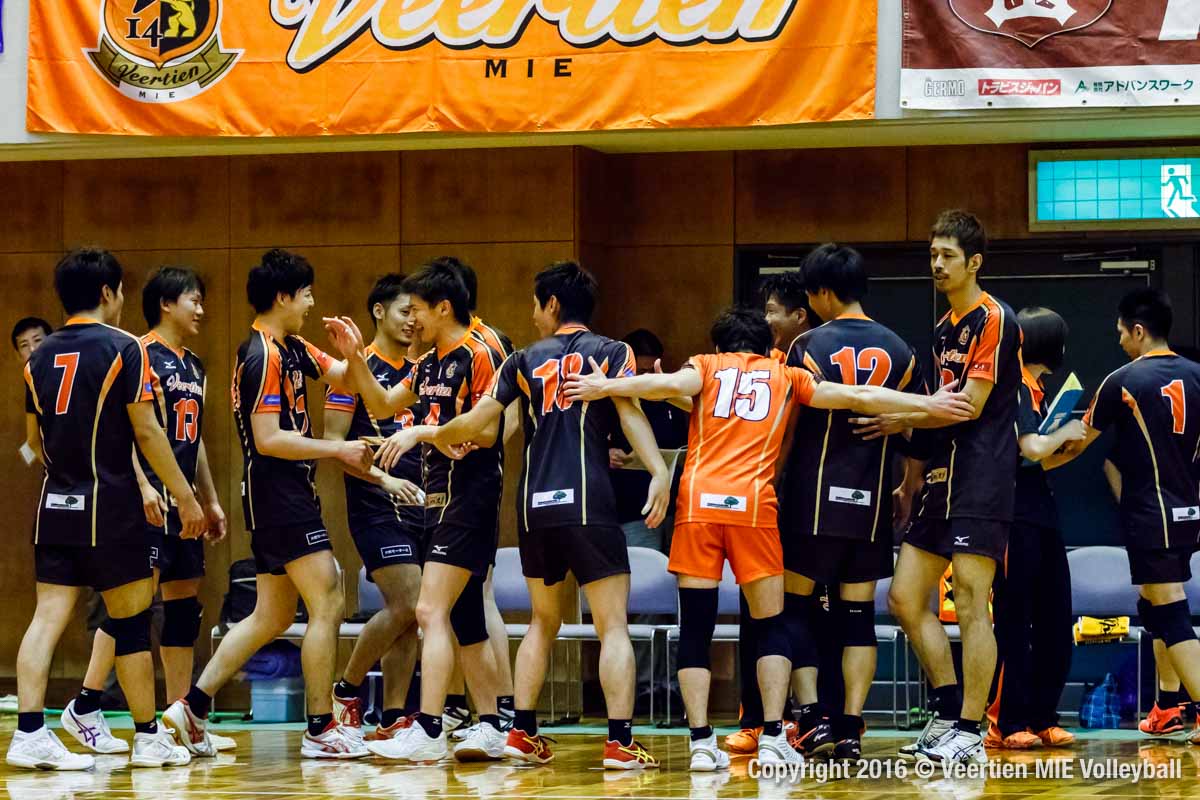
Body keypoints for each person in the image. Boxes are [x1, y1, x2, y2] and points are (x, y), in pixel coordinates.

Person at [564, 307, 975, 772]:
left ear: (718, 345)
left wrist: (605, 386)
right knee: (772, 624)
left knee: (696, 627)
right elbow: (858, 395)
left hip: (698, 507)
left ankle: (701, 743)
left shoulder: (705, 367)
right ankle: (775, 737)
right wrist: (928, 405)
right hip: (753, 508)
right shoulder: (786, 376)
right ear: (767, 346)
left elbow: (663, 386)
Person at [380, 260, 672, 769]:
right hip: (589, 502)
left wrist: (425, 432)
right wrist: (659, 472)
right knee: (613, 626)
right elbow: (630, 414)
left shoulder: (521, 359)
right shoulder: (612, 352)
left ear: (552, 304)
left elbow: (481, 421)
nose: (533, 314)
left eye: (536, 304)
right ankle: (620, 742)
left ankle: (522, 733)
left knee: (542, 622)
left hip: (535, 506)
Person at [163, 249, 374, 760]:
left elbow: (348, 379)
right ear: (283, 296)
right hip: (278, 494)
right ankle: (320, 728)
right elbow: (268, 438)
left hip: (287, 494)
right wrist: (337, 449)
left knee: (272, 615)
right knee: (328, 600)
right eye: (306, 294)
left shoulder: (293, 346)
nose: (312, 303)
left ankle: (190, 707)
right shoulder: (262, 355)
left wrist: (355, 353)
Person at [8, 248, 201, 770]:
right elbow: (148, 430)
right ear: (107, 292)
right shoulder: (124, 346)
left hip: (55, 504)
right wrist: (184, 497)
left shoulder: (37, 359)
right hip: (111, 506)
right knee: (132, 621)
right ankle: (148, 738)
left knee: (46, 617)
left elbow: (34, 441)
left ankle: (29, 732)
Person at [856, 210, 1022, 767]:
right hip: (942, 478)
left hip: (983, 478)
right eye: (932, 255)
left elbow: (966, 406)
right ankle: (948, 712)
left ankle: (972, 732)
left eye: (948, 256)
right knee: (904, 598)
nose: (937, 264)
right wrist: (910, 474)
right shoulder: (944, 327)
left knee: (972, 602)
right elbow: (935, 414)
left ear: (974, 262)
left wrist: (898, 414)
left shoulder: (995, 318)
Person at [326, 260, 509, 763]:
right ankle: (491, 725)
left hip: (470, 496)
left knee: (428, 610)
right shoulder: (429, 362)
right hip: (436, 499)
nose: (413, 320)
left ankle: (428, 728)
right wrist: (354, 357)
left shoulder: (481, 351)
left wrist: (422, 432)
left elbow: (488, 430)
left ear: (443, 308)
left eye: (419, 310)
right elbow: (383, 405)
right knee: (466, 618)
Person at [64, 267, 234, 756]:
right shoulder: (137, 353)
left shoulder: (195, 365)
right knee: (133, 606)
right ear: (165, 303)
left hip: (185, 502)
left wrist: (209, 499)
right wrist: (141, 485)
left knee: (183, 606)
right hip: (149, 500)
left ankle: (182, 721)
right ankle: (86, 701)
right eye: (193, 300)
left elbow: (194, 439)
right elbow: (126, 430)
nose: (200, 309)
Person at [777, 244, 928, 761]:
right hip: (870, 504)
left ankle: (813, 718)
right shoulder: (902, 350)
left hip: (811, 501)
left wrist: (772, 482)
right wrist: (907, 488)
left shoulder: (806, 345)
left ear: (822, 292)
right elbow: (920, 429)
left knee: (795, 609)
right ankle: (851, 726)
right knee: (858, 617)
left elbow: (789, 426)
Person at [1050, 288, 1200, 744]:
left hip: (1150, 513)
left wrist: (1032, 458)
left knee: (1170, 610)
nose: (1118, 341)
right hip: (1188, 511)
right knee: (1154, 604)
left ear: (1138, 331)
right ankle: (1167, 707)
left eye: (1120, 333)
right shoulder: (1197, 374)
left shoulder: (1123, 380)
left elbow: (1079, 442)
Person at [325, 275, 425, 744]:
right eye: (405, 311)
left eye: (417, 313)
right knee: (410, 600)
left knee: (407, 615)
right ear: (379, 312)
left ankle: (392, 716)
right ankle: (346, 688)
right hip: (375, 504)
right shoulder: (353, 371)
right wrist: (384, 478)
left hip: (422, 503)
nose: (412, 322)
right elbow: (334, 444)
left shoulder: (421, 372)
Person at [984, 307, 1083, 750]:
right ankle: (1005, 723)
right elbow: (1032, 447)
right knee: (1014, 620)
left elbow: (1040, 459)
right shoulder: (1016, 385)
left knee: (1055, 620)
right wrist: (1067, 432)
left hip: (1042, 511)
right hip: (1012, 515)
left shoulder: (1041, 391)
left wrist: (1068, 441)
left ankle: (1043, 716)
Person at [727, 273, 816, 756]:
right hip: (756, 506)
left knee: (796, 616)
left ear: (799, 316)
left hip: (801, 508)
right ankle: (757, 721)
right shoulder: (758, 366)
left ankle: (807, 719)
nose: (765, 320)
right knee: (755, 615)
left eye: (772, 310)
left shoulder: (804, 367)